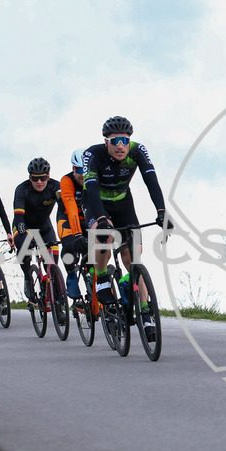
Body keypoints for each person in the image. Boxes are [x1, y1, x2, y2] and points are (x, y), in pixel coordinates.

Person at [82, 116, 169, 341]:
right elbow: (90, 187)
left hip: (122, 202)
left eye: (125, 140)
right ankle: (101, 276)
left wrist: (161, 211)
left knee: (134, 259)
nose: (120, 145)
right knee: (104, 236)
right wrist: (101, 218)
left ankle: (145, 312)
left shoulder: (137, 151)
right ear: (106, 143)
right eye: (115, 140)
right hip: (95, 202)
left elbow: (151, 180)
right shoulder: (92, 155)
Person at [12, 158, 60, 302]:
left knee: (52, 266)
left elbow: (65, 209)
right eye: (35, 178)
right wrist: (25, 236)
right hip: (23, 226)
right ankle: (28, 277)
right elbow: (19, 217)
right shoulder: (22, 190)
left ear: (48, 177)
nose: (39, 182)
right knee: (24, 250)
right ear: (30, 178)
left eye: (43, 178)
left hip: (44, 227)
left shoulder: (55, 187)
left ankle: (59, 304)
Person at [57, 149, 89, 300]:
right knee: (70, 246)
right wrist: (77, 234)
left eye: (86, 169)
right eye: (79, 170)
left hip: (88, 218)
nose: (83, 174)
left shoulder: (95, 180)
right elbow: (71, 210)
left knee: (96, 252)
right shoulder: (66, 180)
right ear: (73, 169)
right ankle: (71, 273)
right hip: (67, 218)